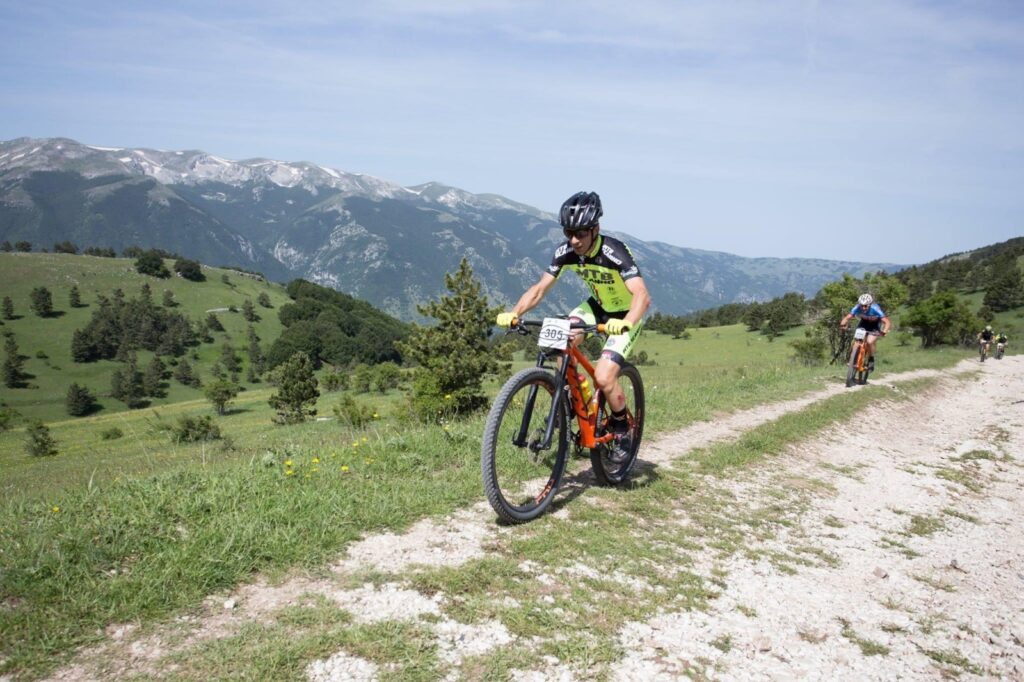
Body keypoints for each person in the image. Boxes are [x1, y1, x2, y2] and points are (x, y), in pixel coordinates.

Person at [495, 191, 651, 460]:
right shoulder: (566, 252)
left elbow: (642, 295)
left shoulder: (614, 252)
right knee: (559, 340)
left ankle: (622, 427)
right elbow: (540, 289)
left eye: (580, 233)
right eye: (569, 232)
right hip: (596, 306)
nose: (574, 240)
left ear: (595, 229)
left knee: (603, 376)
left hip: (625, 315)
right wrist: (514, 312)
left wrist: (625, 323)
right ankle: (567, 398)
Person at [839, 293, 891, 374]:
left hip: (875, 325)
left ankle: (871, 359)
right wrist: (843, 324)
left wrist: (884, 331)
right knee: (857, 340)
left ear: (870, 305)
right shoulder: (857, 308)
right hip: (864, 323)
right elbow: (848, 317)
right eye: (861, 305)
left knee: (870, 342)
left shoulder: (875, 309)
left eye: (866, 306)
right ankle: (853, 359)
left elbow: (887, 322)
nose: (863, 308)